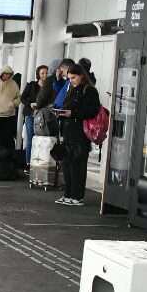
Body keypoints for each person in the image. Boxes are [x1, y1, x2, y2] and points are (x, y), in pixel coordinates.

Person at [55, 62, 100, 206]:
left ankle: (77, 196)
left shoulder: (89, 90)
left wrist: (72, 113)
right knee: (67, 164)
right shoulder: (72, 89)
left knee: (78, 165)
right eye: (69, 78)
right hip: (68, 131)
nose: (71, 80)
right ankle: (68, 194)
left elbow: (92, 111)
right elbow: (67, 106)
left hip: (81, 133)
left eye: (73, 77)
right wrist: (60, 114)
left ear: (81, 75)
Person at [19, 64, 48, 163]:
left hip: (43, 117)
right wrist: (30, 104)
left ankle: (39, 163)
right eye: (42, 73)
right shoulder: (32, 85)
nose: (45, 75)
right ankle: (28, 163)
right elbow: (22, 98)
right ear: (38, 74)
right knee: (30, 140)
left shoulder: (49, 87)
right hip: (31, 116)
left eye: (46, 73)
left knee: (42, 140)